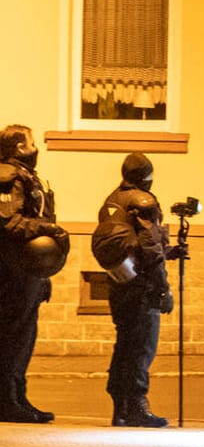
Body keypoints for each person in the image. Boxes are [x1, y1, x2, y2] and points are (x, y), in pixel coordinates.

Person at [90, 154, 186, 428]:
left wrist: (171, 252)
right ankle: (137, 405)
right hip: (141, 285)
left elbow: (135, 244)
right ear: (148, 175)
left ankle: (120, 407)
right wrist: (164, 289)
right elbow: (151, 250)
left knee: (125, 344)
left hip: (120, 281)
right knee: (143, 346)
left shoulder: (112, 201)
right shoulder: (144, 202)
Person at [0, 124, 67, 423]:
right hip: (11, 272)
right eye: (31, 142)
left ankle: (19, 397)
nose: (36, 147)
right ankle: (6, 400)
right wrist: (47, 229)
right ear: (19, 148)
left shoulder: (26, 177)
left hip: (28, 272)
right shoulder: (8, 178)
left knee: (25, 338)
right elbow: (9, 222)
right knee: (12, 337)